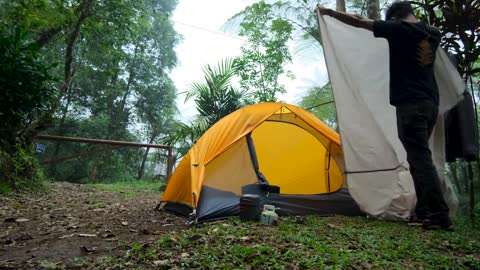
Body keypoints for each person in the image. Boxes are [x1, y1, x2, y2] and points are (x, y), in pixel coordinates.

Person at [318, 1, 452, 230]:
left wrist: (329, 12)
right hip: (430, 104)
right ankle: (423, 213)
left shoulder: (399, 29)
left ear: (395, 19)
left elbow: (359, 21)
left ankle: (439, 215)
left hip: (411, 105)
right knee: (417, 158)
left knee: (420, 159)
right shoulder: (433, 33)